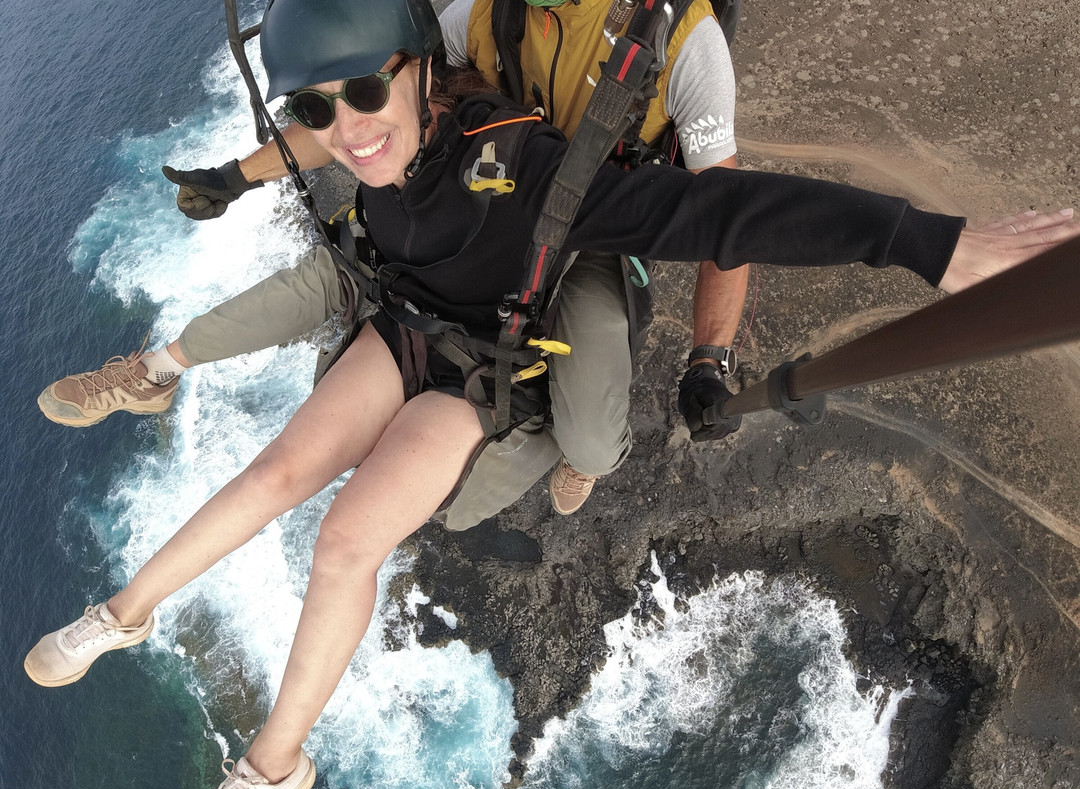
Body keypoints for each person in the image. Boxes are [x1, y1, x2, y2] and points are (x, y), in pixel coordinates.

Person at [24, 0, 1080, 789]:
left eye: (359, 99)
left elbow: (731, 206)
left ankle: (271, 767)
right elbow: (342, 114)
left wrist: (916, 251)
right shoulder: (438, 46)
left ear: (416, 80)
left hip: (537, 286)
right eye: (318, 105)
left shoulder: (650, 67)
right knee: (278, 470)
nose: (344, 126)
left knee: (374, 523)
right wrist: (240, 170)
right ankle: (124, 612)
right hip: (409, 311)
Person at [37, 0, 750, 519]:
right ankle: (152, 371)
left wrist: (708, 358)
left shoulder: (685, 42)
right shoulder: (479, 14)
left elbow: (730, 221)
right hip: (479, 187)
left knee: (591, 440)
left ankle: (580, 457)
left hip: (591, 232)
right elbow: (368, 102)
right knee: (343, 272)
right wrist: (238, 176)